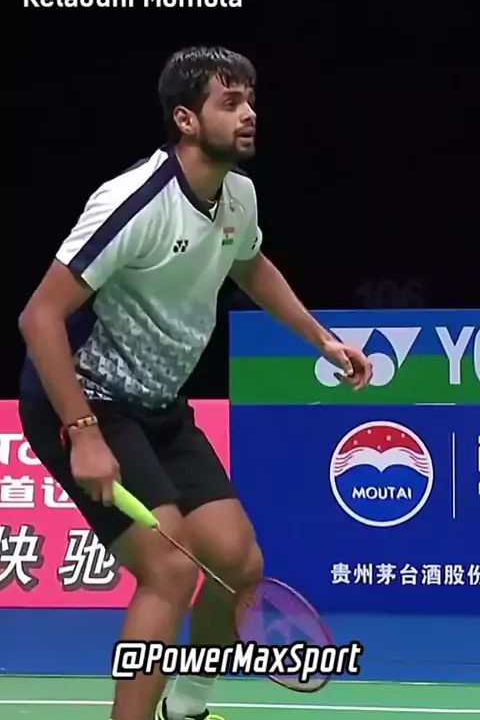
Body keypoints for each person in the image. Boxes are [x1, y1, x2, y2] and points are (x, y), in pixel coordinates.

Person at [18, 45, 372, 720]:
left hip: (160, 405)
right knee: (171, 569)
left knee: (238, 562)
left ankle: (188, 705)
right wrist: (83, 432)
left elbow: (250, 264)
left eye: (251, 100)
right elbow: (39, 316)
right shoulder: (134, 202)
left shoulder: (238, 195)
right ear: (186, 119)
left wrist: (321, 338)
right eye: (230, 102)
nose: (249, 114)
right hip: (86, 399)